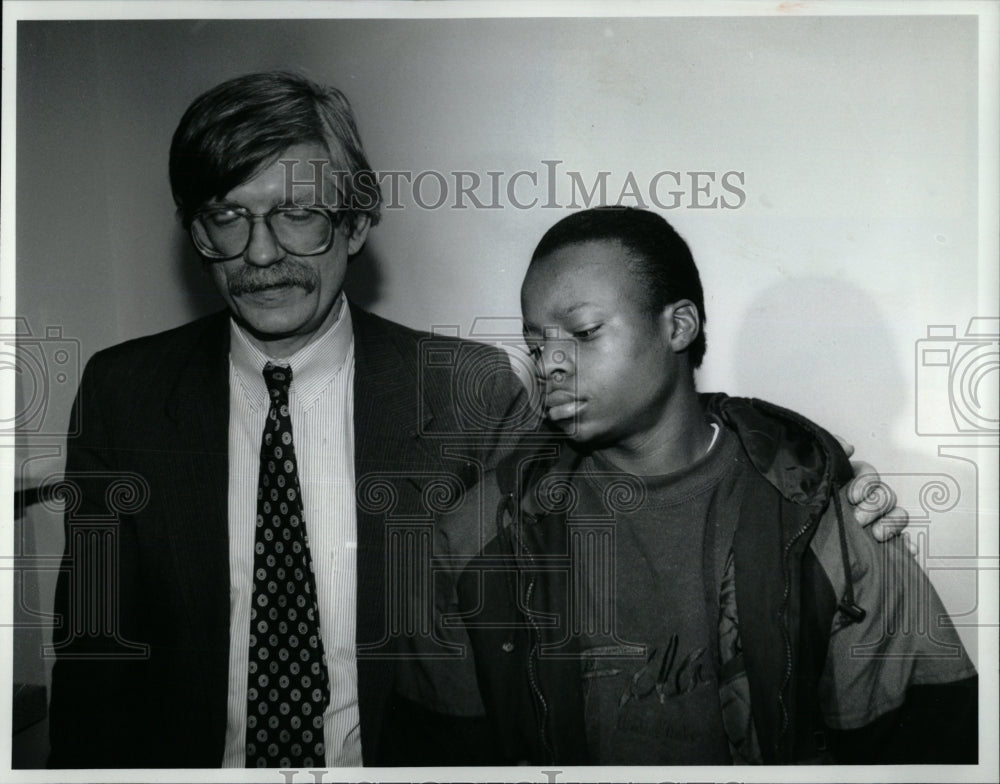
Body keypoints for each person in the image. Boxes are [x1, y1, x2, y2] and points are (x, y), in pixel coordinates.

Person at [46, 72, 906, 769]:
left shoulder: (466, 389)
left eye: (299, 213)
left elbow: (605, 475)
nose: (261, 252)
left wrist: (813, 475)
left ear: (356, 220)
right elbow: (93, 656)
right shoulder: (122, 395)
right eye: (226, 218)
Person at [458, 206, 978, 765]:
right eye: (537, 344)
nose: (550, 363)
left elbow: (926, 744)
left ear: (678, 326)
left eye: (583, 333)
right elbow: (438, 749)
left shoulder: (821, 512)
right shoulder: (487, 528)